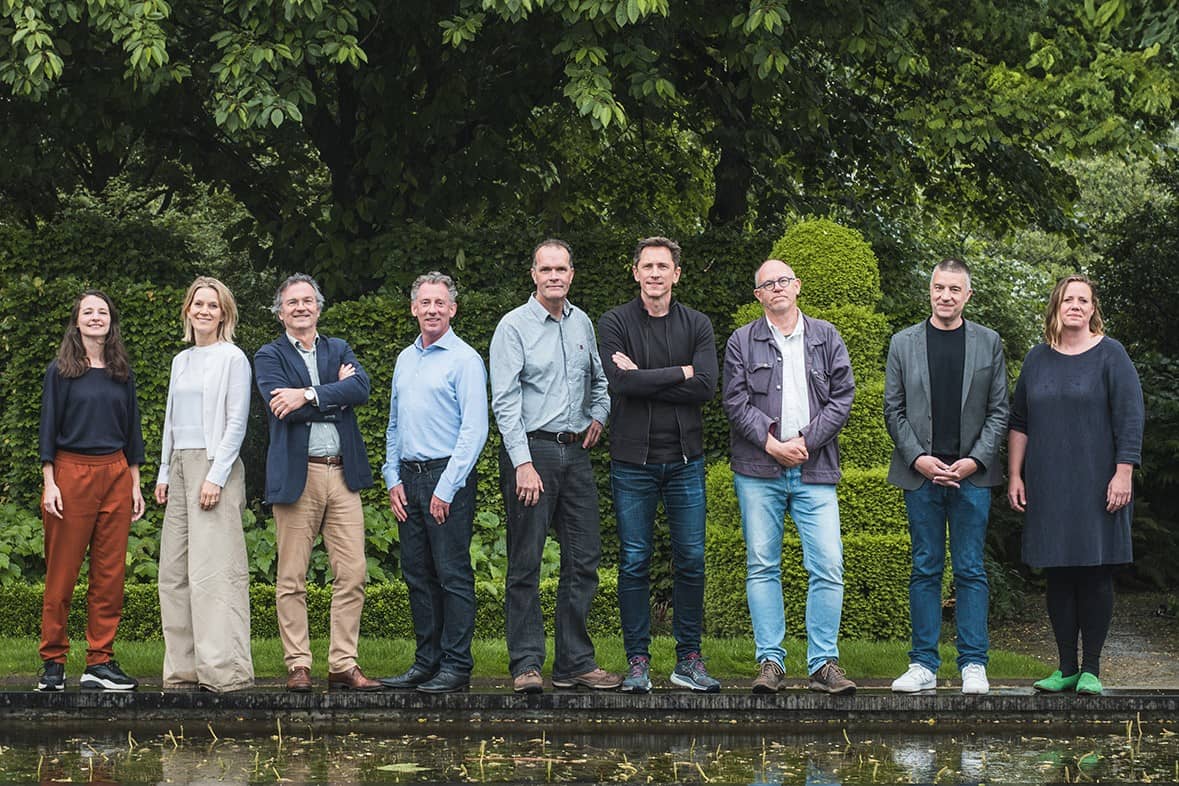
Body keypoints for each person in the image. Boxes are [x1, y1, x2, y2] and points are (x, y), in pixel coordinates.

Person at [489, 239, 620, 694]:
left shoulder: (582, 322)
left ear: (571, 274)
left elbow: (600, 381)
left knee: (584, 560)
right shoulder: (513, 327)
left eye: (561, 269)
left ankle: (574, 663)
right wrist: (522, 464)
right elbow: (505, 402)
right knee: (525, 562)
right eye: (546, 269)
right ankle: (526, 663)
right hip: (533, 453)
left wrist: (599, 415)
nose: (554, 277)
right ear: (533, 275)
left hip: (575, 454)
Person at [722, 258, 857, 695]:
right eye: (768, 284)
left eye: (783, 280)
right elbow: (734, 401)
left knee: (828, 565)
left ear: (797, 286)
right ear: (758, 295)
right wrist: (772, 444)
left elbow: (843, 396)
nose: (777, 287)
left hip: (815, 469)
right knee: (762, 566)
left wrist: (805, 440)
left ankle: (823, 664)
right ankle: (771, 662)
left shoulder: (827, 336)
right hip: (758, 470)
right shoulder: (742, 341)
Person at [1007, 274, 1144, 696]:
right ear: (1057, 306)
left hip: (1099, 483)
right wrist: (1015, 474)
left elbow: (1130, 416)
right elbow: (1019, 422)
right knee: (1059, 573)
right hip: (1049, 484)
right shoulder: (1037, 359)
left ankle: (1091, 670)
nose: (1076, 306)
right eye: (1069, 299)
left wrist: (1124, 472)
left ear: (1092, 309)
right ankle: (1066, 667)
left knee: (1095, 572)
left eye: (1084, 300)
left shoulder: (1111, 354)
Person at [597, 236, 720, 693]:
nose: (654, 273)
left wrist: (644, 377)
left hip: (686, 461)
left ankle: (688, 659)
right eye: (647, 266)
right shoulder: (614, 322)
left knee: (692, 560)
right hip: (633, 463)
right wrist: (679, 372)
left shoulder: (697, 324)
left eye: (662, 266)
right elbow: (619, 384)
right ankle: (638, 662)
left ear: (676, 274)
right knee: (634, 561)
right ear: (635, 272)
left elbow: (705, 387)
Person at [884, 258, 1008, 695]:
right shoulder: (903, 343)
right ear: (930, 290)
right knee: (925, 568)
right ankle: (923, 664)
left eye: (955, 289)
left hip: (971, 476)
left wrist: (975, 460)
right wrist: (918, 458)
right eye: (939, 287)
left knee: (971, 569)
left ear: (967, 295)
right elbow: (893, 411)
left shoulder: (989, 343)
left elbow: (999, 411)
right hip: (922, 477)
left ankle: (973, 664)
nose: (946, 296)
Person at [254, 273, 381, 692]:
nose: (301, 308)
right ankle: (298, 664)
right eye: (292, 302)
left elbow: (360, 389)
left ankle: (343, 663)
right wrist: (332, 394)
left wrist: (306, 395)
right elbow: (280, 406)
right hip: (298, 474)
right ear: (280, 312)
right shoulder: (269, 355)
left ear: (319, 308)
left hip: (342, 473)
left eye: (308, 301)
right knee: (292, 577)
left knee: (353, 573)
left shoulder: (338, 348)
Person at [379, 272, 488, 694]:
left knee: (452, 574)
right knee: (417, 574)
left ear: (452, 309)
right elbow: (394, 425)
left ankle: (456, 666)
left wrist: (446, 487)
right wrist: (392, 477)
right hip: (408, 479)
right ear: (413, 308)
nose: (432, 309)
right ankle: (426, 662)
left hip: (448, 479)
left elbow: (474, 431)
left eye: (440, 302)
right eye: (425, 302)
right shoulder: (405, 359)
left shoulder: (465, 360)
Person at [37, 289, 145, 692]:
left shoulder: (121, 372)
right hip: (71, 473)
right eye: (88, 312)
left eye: (102, 312)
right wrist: (50, 483)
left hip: (116, 473)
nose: (96, 317)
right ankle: (53, 661)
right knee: (62, 572)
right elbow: (47, 428)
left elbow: (132, 430)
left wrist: (134, 483)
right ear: (77, 321)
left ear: (110, 321)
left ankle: (99, 661)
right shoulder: (61, 371)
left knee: (110, 574)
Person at [154, 276, 254, 692]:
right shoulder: (181, 360)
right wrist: (164, 471)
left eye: (213, 305)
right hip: (180, 465)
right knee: (173, 573)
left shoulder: (233, 358)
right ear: (188, 310)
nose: (205, 311)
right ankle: (183, 670)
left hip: (214, 466)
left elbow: (236, 422)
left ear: (224, 314)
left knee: (213, 571)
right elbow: (171, 420)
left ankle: (223, 671)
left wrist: (216, 475)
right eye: (199, 304)